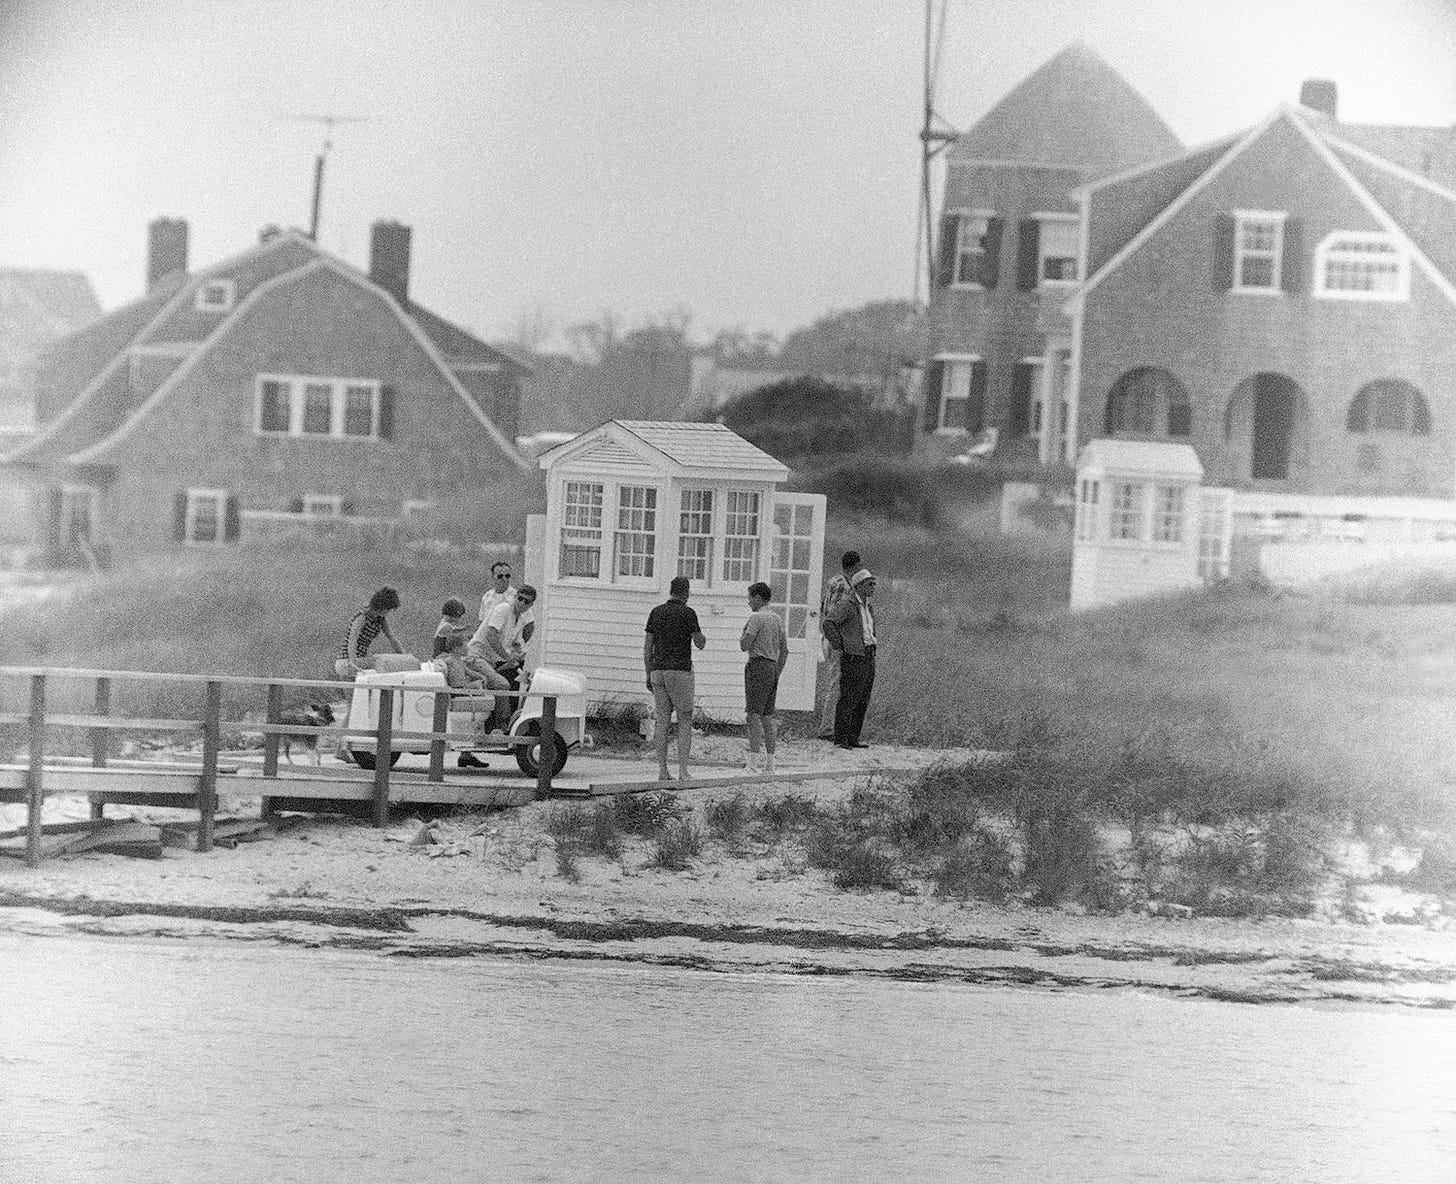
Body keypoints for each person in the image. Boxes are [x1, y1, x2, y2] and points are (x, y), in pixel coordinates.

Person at [644, 575, 706, 782]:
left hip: (657, 671)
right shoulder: (688, 613)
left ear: (670, 591)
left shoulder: (656, 612)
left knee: (662, 719)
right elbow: (700, 643)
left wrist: (648, 673)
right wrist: (700, 634)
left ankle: (662, 771)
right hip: (679, 670)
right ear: (687, 593)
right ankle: (683, 771)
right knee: (684, 720)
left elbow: (647, 648)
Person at [822, 568, 877, 750]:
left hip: (868, 654)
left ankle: (853, 736)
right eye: (870, 583)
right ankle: (841, 738)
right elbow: (828, 623)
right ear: (859, 585)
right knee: (849, 698)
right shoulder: (847, 605)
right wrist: (841, 645)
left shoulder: (868, 606)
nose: (873, 587)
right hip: (853, 656)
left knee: (863, 697)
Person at [470, 584, 538, 729]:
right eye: (520, 598)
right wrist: (507, 657)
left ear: (531, 604)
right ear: (515, 597)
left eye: (527, 602)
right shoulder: (504, 609)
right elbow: (490, 634)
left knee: (507, 684)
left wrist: (517, 653)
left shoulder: (520, 620)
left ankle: (495, 727)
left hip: (491, 661)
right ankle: (503, 727)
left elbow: (517, 644)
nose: (522, 603)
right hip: (476, 657)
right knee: (502, 685)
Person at [740, 581, 788, 774]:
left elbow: (745, 644)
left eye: (750, 598)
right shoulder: (777, 619)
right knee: (768, 716)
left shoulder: (757, 618)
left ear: (758, 598)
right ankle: (770, 763)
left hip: (758, 664)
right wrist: (777, 670)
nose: (749, 602)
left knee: (753, 715)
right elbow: (785, 650)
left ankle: (752, 763)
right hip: (772, 666)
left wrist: (743, 633)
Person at [817, 550, 863, 739]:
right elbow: (837, 616)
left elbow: (823, 609)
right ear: (855, 565)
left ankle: (832, 726)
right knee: (837, 684)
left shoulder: (833, 581)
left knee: (836, 682)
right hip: (837, 640)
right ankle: (828, 728)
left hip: (827, 638)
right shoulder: (845, 586)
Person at [336, 587, 403, 679]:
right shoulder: (362, 618)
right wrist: (352, 662)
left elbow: (393, 640)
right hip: (347, 662)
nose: (390, 612)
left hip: (359, 660)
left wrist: (405, 657)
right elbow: (352, 640)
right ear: (384, 608)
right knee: (381, 661)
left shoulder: (380, 620)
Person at [479, 560, 535, 648]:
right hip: (488, 645)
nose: (504, 579)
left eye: (507, 576)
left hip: (507, 647)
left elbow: (529, 624)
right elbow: (482, 621)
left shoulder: (518, 598)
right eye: (500, 576)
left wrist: (518, 645)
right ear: (493, 577)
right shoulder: (487, 597)